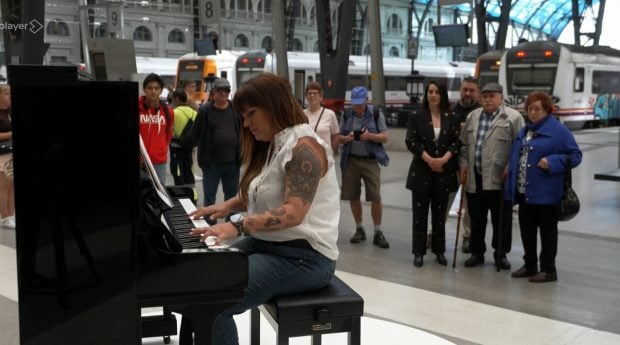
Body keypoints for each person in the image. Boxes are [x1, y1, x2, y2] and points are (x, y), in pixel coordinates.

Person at [188, 73, 339, 345]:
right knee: (195, 282)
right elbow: (261, 190)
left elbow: (293, 213)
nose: (246, 124)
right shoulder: (275, 143)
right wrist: (225, 206)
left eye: (250, 115)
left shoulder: (305, 148)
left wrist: (235, 226)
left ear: (273, 105)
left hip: (304, 258)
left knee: (215, 302)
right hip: (268, 246)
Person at [505, 91, 582, 283]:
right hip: (525, 192)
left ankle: (548, 270)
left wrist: (553, 161)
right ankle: (530, 265)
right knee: (526, 231)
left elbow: (576, 156)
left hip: (547, 195)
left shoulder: (558, 131)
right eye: (530, 109)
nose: (533, 113)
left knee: (547, 233)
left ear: (547, 110)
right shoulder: (525, 131)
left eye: (537, 109)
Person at [459, 82, 525, 270]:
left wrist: (510, 167)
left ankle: (500, 254)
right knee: (476, 218)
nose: (488, 99)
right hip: (475, 178)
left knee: (501, 220)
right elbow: (463, 145)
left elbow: (520, 148)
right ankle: (476, 252)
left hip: (499, 180)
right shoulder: (473, 116)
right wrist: (463, 165)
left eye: (492, 96)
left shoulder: (513, 118)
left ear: (501, 98)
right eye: (485, 96)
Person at [405, 81, 461, 267]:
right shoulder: (417, 116)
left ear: (442, 95)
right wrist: (430, 160)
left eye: (437, 92)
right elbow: (411, 141)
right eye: (430, 91)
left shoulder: (452, 116)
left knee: (439, 214)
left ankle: (439, 251)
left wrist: (443, 160)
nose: (433, 95)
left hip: (444, 172)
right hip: (422, 171)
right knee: (419, 214)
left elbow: (456, 142)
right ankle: (418, 252)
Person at [339, 86, 390, 248]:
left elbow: (385, 137)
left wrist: (370, 136)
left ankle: (378, 231)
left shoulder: (375, 113)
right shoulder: (347, 114)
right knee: (353, 195)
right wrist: (346, 138)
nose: (358, 107)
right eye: (355, 104)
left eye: (360, 104)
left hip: (370, 160)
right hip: (351, 160)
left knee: (375, 196)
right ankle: (359, 228)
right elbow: (338, 136)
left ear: (366, 101)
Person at [187, 78, 241, 210]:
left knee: (231, 196)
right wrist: (186, 148)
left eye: (226, 90)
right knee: (210, 196)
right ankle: (209, 223)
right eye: (220, 90)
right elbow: (195, 133)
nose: (223, 93)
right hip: (211, 163)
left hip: (233, 162)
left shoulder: (236, 109)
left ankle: (231, 224)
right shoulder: (205, 111)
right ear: (213, 93)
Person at [449, 77, 480, 253]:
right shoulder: (451, 109)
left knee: (470, 203)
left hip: (471, 163)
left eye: (471, 90)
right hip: (450, 162)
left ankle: (467, 237)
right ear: (460, 89)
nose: (467, 93)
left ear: (477, 92)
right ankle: (434, 233)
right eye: (465, 89)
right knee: (445, 199)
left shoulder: (481, 113)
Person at [139, 73, 174, 185]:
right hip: (139, 162)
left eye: (156, 88)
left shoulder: (168, 111)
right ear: (144, 89)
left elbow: (168, 134)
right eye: (149, 88)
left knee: (159, 196)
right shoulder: (135, 108)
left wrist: (160, 149)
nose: (153, 91)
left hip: (158, 162)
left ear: (161, 90)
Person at [169, 89, 197, 187]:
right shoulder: (194, 113)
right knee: (189, 172)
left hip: (176, 149)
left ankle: (182, 196)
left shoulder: (174, 112)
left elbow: (170, 131)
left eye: (173, 99)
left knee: (178, 172)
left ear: (177, 98)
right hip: (189, 148)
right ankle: (193, 195)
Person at [303, 81, 340, 153]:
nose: (312, 95)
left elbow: (335, 135)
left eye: (315, 93)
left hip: (324, 158)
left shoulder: (330, 114)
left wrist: (330, 153)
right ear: (306, 96)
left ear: (321, 96)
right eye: (309, 93)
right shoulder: (301, 114)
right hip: (306, 158)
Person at [0, 84, 14, 229]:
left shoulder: (9, 111)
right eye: (6, 94)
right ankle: (4, 218)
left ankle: (11, 214)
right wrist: (11, 134)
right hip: (1, 154)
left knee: (12, 186)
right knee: (3, 187)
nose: (10, 97)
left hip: (11, 152)